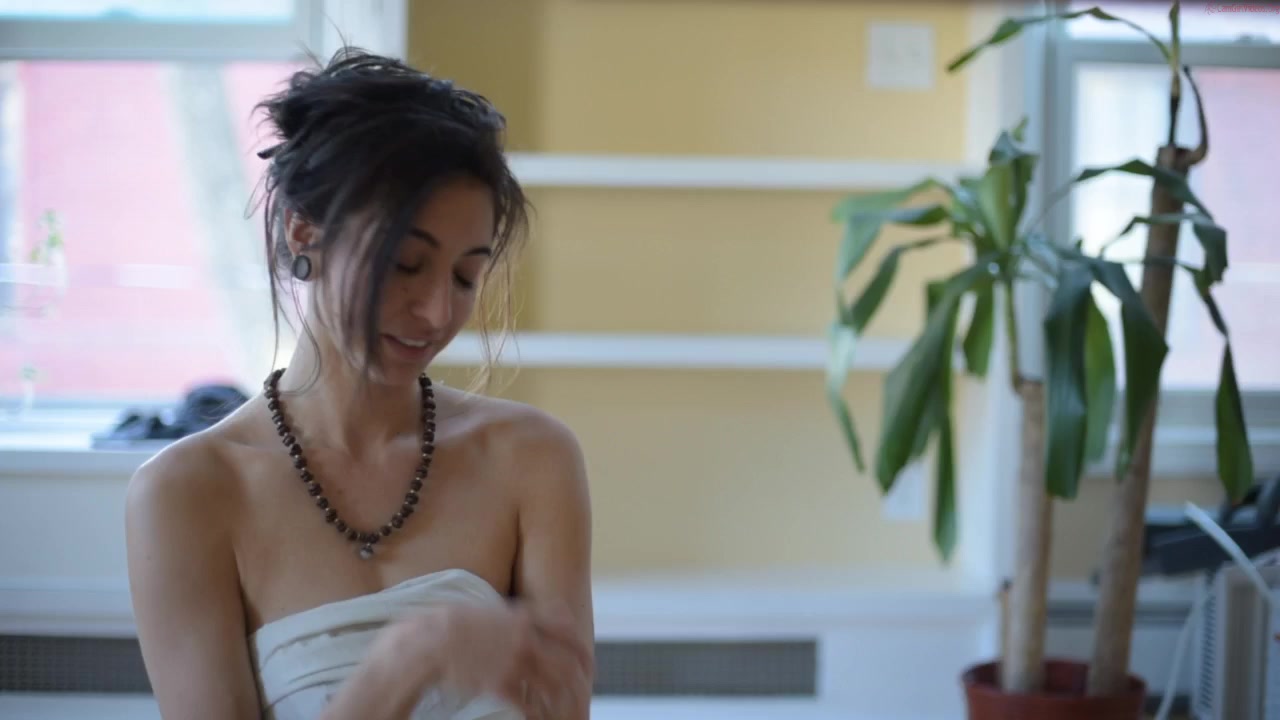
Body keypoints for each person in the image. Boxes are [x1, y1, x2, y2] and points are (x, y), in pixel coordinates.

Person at [124, 47, 594, 720]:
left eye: (466, 276)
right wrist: (410, 658)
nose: (437, 312)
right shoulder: (188, 494)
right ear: (303, 234)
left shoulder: (532, 458)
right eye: (405, 264)